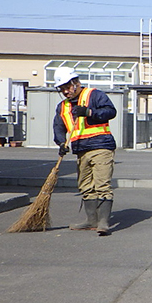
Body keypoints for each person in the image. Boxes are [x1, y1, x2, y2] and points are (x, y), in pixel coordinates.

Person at [52, 67, 117, 236]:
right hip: (81, 150)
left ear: (76, 83)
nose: (65, 91)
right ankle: (91, 220)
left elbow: (111, 112)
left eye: (67, 87)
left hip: (101, 146)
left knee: (102, 184)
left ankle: (103, 222)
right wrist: (61, 143)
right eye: (62, 89)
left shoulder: (94, 95)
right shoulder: (62, 107)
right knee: (85, 186)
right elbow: (58, 127)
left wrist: (89, 112)